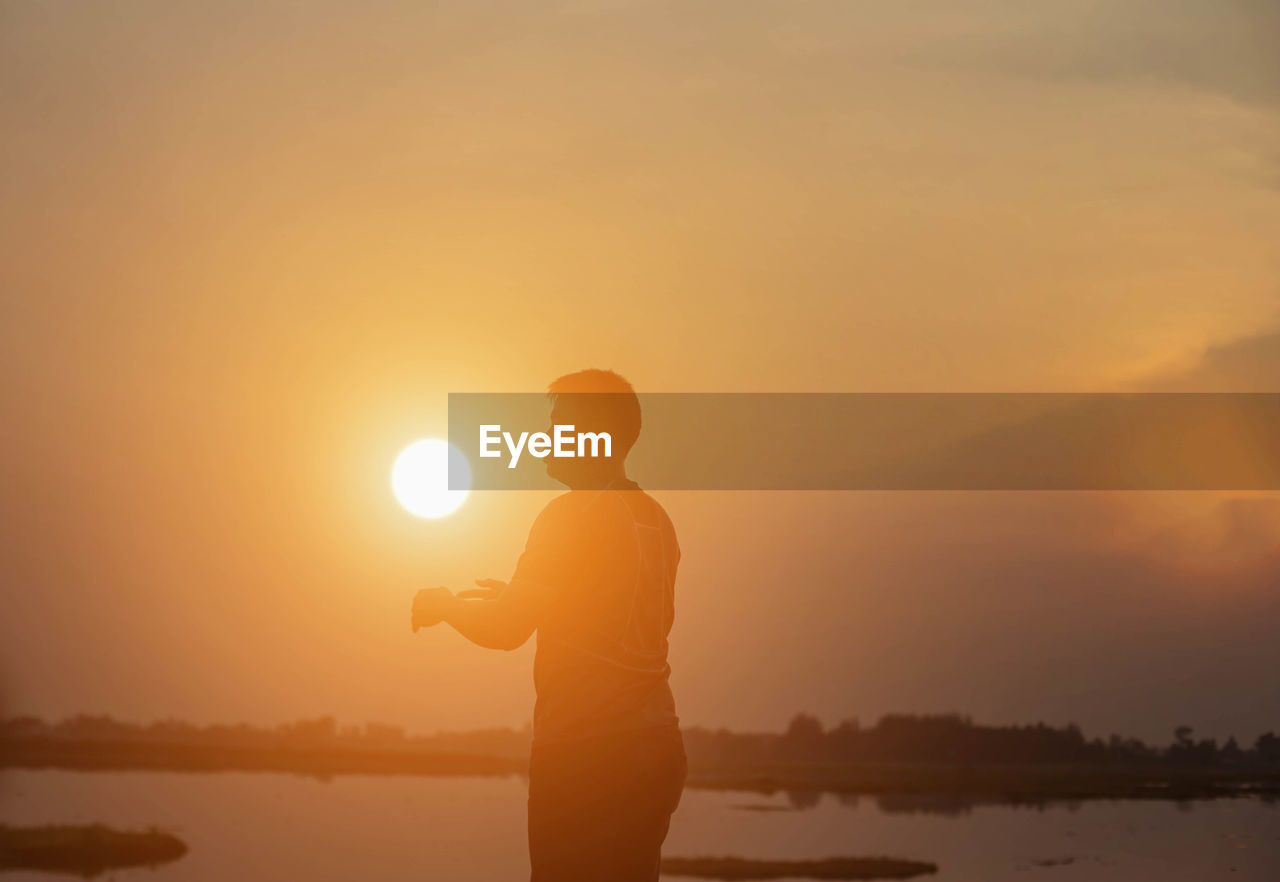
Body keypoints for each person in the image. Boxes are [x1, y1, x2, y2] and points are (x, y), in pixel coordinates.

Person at [411, 369, 686, 882]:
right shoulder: (656, 519)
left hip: (586, 753)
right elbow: (634, 623)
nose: (545, 438)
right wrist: (531, 600)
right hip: (656, 749)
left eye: (560, 423)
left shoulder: (567, 517)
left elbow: (506, 630)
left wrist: (446, 605)